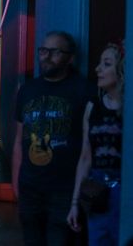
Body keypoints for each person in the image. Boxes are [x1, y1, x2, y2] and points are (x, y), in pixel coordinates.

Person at [12, 31, 95, 245]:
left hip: (64, 188)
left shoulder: (83, 90)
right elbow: (19, 140)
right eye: (43, 51)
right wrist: (16, 184)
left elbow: (87, 146)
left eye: (55, 52)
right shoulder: (28, 90)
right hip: (30, 187)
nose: (46, 56)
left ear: (70, 57)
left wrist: (77, 195)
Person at [67, 43, 124, 245]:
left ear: (122, 70)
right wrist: (75, 203)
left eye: (106, 64)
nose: (98, 69)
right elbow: (85, 157)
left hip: (125, 188)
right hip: (98, 190)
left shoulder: (128, 108)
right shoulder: (93, 106)